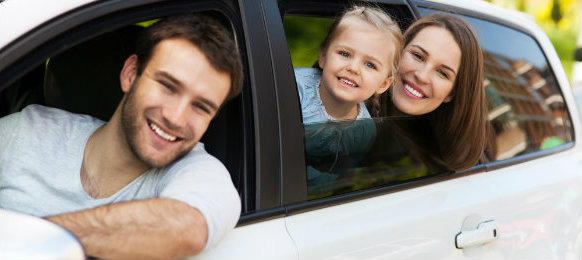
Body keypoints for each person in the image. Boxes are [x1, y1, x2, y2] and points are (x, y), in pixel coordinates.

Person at [0, 13, 243, 259]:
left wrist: (30, 239)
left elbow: (188, 228)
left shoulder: (202, 172)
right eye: (167, 86)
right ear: (130, 74)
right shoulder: (26, 132)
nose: (176, 118)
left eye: (201, 107)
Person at [293, 5, 402, 195]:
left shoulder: (364, 131)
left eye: (370, 64)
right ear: (323, 56)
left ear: (383, 85)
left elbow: (342, 175)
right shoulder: (294, 89)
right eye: (344, 54)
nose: (353, 68)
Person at [384, 13, 489, 171]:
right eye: (418, 56)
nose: (422, 76)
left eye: (443, 73)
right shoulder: (347, 100)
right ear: (398, 51)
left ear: (451, 93)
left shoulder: (439, 163)